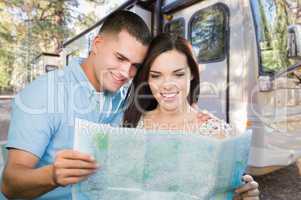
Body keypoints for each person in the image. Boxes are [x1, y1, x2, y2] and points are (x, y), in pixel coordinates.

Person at [1, 10, 209, 199]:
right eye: (120, 58)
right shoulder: (45, 93)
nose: (125, 73)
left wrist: (192, 120)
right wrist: (52, 175)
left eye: (135, 65)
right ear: (97, 44)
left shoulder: (125, 96)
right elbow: (10, 184)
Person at [123, 33, 260, 200]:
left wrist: (244, 196)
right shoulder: (132, 123)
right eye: (156, 75)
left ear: (192, 74)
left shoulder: (218, 133)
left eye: (178, 74)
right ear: (146, 78)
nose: (167, 85)